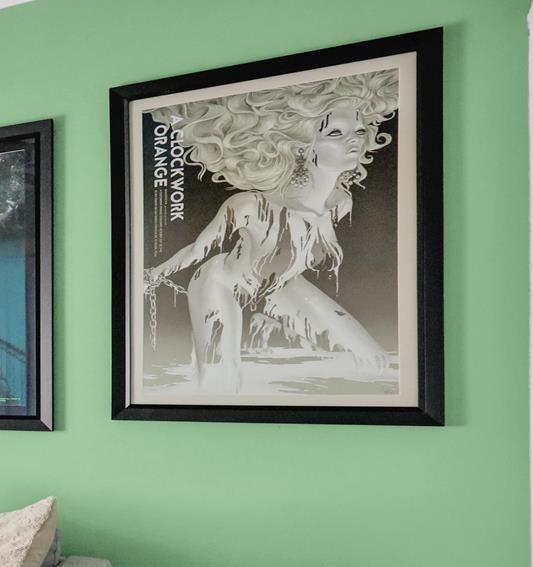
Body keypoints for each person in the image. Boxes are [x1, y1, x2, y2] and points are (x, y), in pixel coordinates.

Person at [143, 70, 398, 393]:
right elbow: (198, 249)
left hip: (279, 284)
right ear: (302, 147)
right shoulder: (250, 205)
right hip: (220, 284)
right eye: (335, 133)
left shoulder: (340, 202)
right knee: (221, 379)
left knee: (373, 360)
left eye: (360, 131)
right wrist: (153, 275)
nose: (355, 140)